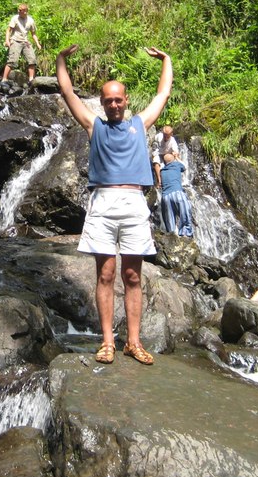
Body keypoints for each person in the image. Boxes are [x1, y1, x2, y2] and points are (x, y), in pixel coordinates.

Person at [56, 44, 172, 365]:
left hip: (135, 202)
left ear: (126, 100)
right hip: (103, 203)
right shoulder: (95, 126)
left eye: (118, 99)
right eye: (108, 100)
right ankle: (107, 341)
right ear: (103, 103)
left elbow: (162, 94)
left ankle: (133, 342)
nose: (114, 104)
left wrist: (166, 60)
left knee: (133, 276)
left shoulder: (140, 124)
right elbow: (68, 93)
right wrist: (61, 59)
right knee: (105, 275)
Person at [1, 4, 42, 86]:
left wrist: (37, 43)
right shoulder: (15, 18)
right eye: (18, 10)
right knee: (12, 61)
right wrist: (7, 40)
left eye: (20, 10)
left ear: (25, 11)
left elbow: (33, 33)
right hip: (15, 40)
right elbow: (8, 30)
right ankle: (4, 79)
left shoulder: (30, 20)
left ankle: (31, 79)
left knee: (32, 60)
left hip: (25, 41)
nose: (18, 11)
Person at [159, 152, 193, 237]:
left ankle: (172, 237)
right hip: (177, 193)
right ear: (173, 160)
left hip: (165, 196)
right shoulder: (176, 165)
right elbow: (184, 166)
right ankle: (186, 234)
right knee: (184, 214)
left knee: (169, 220)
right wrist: (176, 157)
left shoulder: (162, 171)